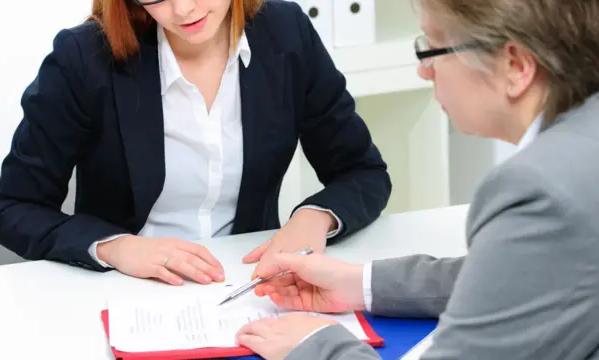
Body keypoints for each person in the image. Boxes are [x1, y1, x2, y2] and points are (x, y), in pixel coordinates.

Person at [235, 0, 599, 359]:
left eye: (433, 46)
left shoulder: (538, 190)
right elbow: (520, 276)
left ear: (516, 67)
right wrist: (361, 284)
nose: (425, 71)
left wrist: (316, 345)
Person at [0, 0, 391, 286]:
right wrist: (115, 248)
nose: (182, 10)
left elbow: (363, 171)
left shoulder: (287, 34)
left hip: (250, 286)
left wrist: (314, 217)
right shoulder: (83, 58)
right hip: (123, 291)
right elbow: (13, 206)